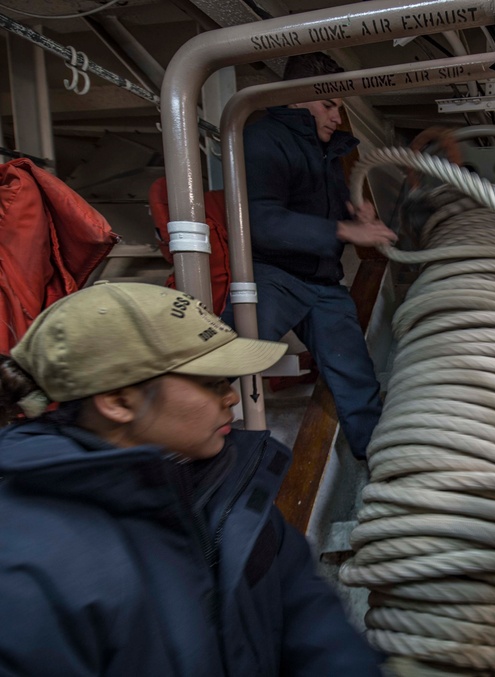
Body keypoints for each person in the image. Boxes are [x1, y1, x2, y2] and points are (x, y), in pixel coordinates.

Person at [0, 282, 383, 676]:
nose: (232, 397)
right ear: (119, 401)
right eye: (211, 382)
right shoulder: (25, 571)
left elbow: (306, 615)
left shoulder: (228, 487)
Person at [239, 52, 397, 459]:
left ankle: (381, 465)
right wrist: (345, 230)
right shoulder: (262, 140)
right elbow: (262, 219)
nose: (336, 118)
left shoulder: (326, 149)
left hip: (324, 283)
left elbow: (321, 199)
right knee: (227, 360)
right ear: (296, 100)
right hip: (275, 276)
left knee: (356, 378)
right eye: (329, 106)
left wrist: (352, 209)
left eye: (340, 109)